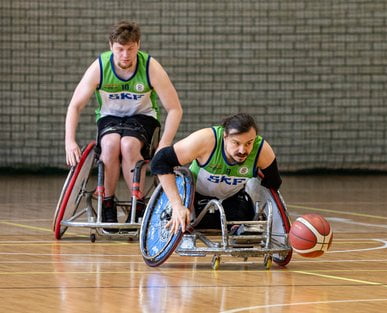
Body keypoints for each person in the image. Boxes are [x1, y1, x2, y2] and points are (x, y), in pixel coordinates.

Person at [64, 20, 183, 224]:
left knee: (128, 145)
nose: (125, 55)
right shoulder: (100, 67)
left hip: (142, 117)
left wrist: (164, 143)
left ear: (138, 45)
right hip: (110, 117)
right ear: (111, 47)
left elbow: (175, 109)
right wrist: (70, 141)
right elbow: (75, 105)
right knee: (110, 144)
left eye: (130, 49)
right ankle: (107, 202)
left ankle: (137, 202)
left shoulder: (150, 67)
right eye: (120, 49)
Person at [150, 113, 282, 234]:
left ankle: (237, 228)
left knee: (243, 223)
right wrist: (176, 204)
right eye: (236, 143)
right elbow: (160, 161)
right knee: (185, 224)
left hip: (231, 199)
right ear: (225, 136)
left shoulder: (262, 151)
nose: (242, 150)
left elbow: (273, 183)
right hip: (194, 197)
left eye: (249, 143)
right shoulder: (206, 140)